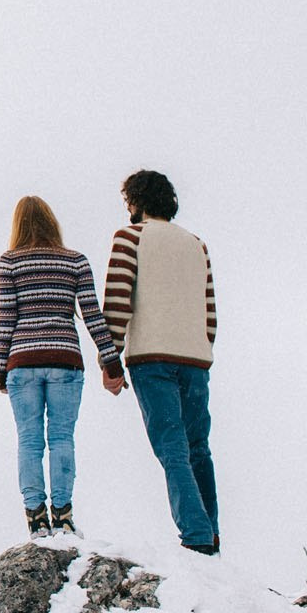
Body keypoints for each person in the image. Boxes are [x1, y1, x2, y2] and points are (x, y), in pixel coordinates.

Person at [103, 170, 220, 554]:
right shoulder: (196, 244)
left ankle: (196, 537)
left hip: (152, 357)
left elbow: (118, 303)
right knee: (198, 448)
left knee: (171, 449)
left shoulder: (129, 238)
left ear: (135, 202)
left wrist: (111, 361)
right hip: (196, 359)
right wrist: (202, 347)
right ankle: (211, 533)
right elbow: (210, 313)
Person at [0, 196, 125, 539]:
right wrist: (112, 360)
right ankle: (63, 515)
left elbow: (6, 317)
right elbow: (92, 315)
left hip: (22, 361)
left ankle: (36, 517)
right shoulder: (75, 261)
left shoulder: (9, 262)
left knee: (29, 440)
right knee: (62, 438)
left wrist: (0, 369)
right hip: (65, 358)